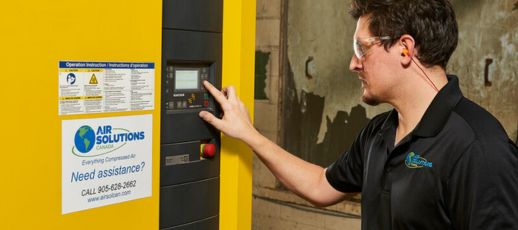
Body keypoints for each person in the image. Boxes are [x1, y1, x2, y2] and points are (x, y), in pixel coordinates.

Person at [199, 0, 518, 229]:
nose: (353, 64)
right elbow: (320, 185)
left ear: (405, 49)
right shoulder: (379, 132)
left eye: (362, 49)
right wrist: (249, 134)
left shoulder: (479, 148)